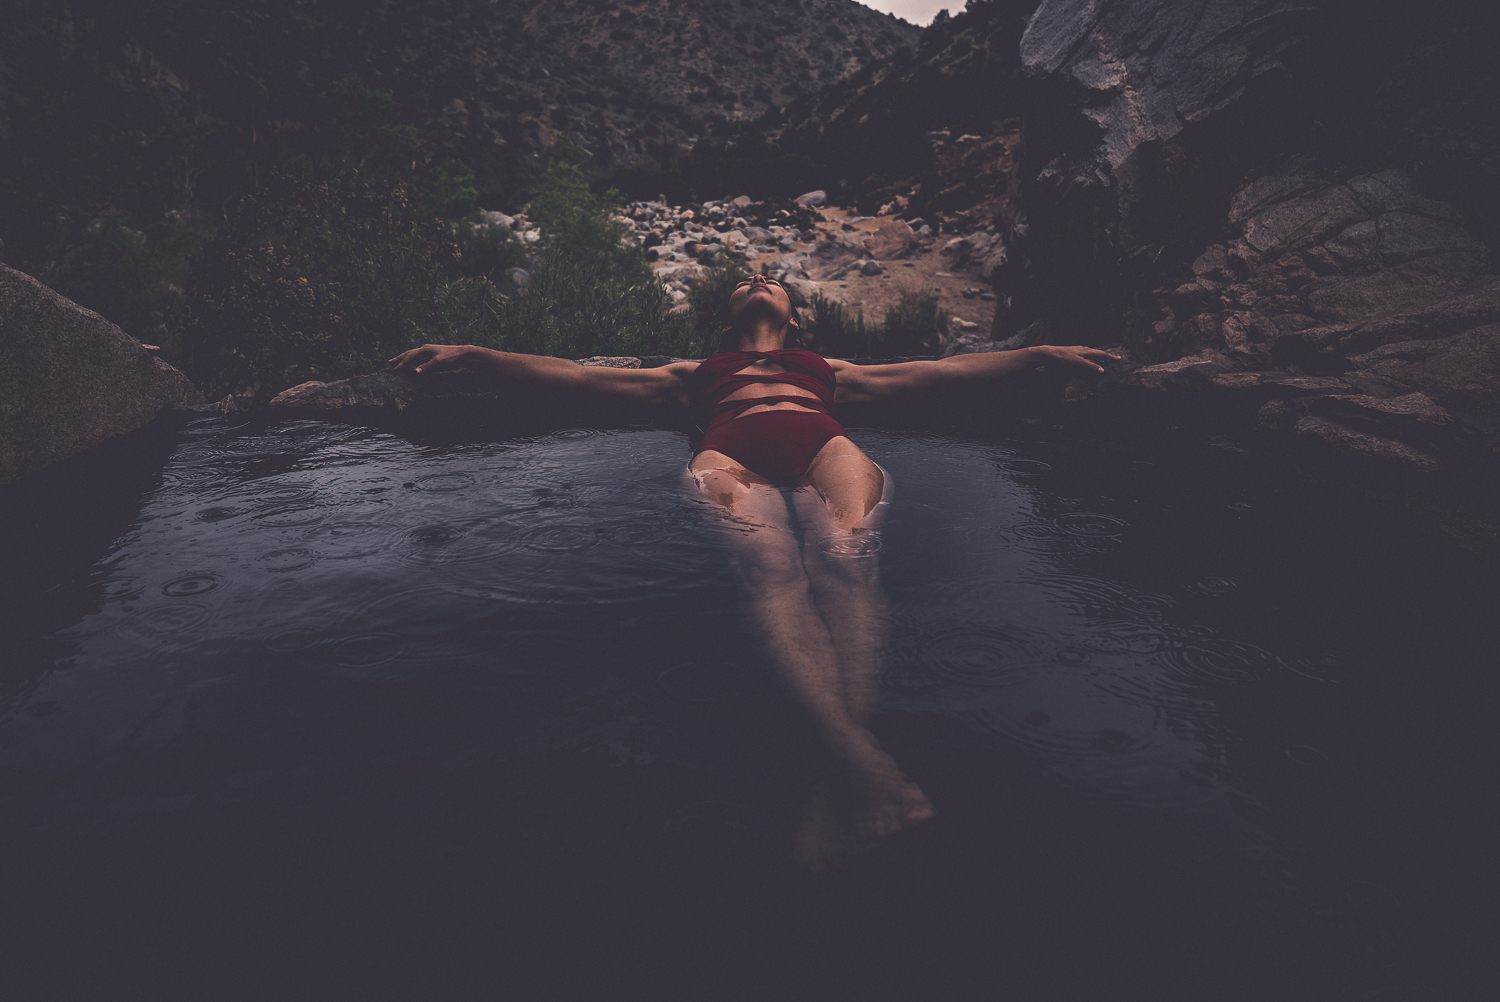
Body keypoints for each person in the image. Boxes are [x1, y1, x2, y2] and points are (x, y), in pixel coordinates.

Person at [390, 274, 1119, 870]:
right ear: (727, 317)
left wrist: (1038, 356)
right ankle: (856, 764)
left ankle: (846, 762)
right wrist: (479, 354)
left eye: (770, 278)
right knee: (773, 566)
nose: (758, 278)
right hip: (728, 457)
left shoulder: (828, 371)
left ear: (794, 318)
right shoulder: (690, 375)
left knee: (843, 556)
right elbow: (573, 377)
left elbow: (939, 372)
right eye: (745, 280)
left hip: (823, 446)